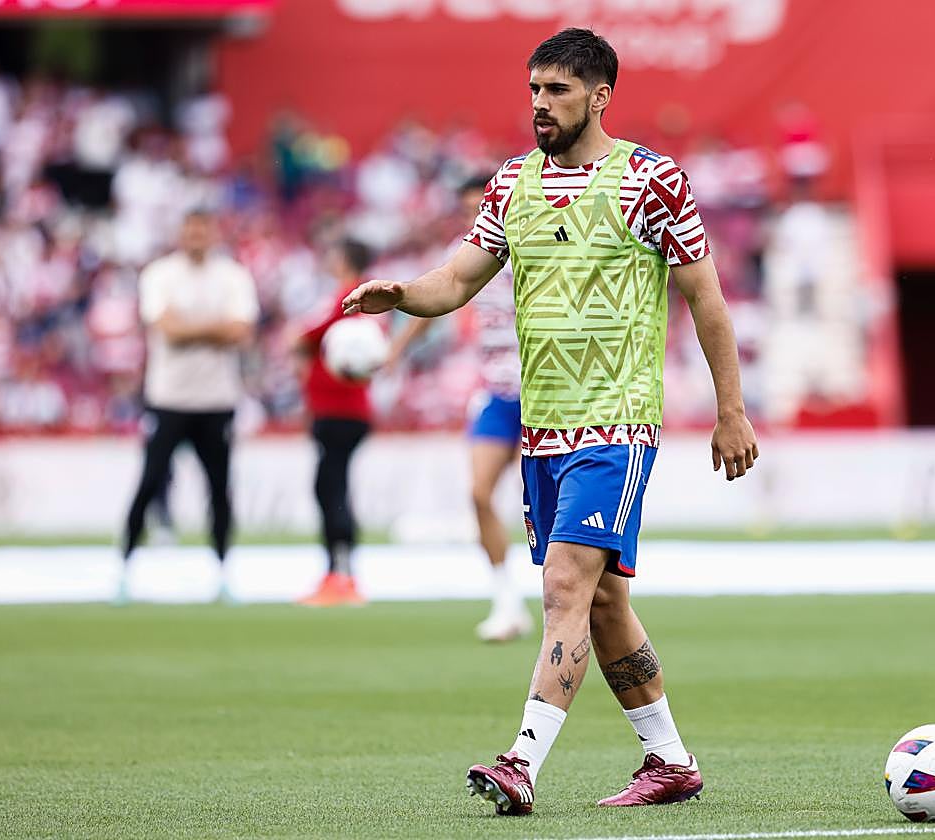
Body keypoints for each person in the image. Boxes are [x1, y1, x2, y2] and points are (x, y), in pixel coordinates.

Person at [344, 29, 759, 815]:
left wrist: (730, 410)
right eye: (534, 88)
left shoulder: (651, 181)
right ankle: (671, 761)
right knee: (602, 604)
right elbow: (456, 279)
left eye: (557, 90)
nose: (540, 103)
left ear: (599, 97)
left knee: (565, 584)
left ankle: (521, 762)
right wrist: (402, 295)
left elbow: (705, 298)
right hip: (542, 430)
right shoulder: (512, 184)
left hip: (617, 423)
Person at [393, 175, 532, 641]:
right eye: (469, 208)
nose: (476, 214)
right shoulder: (468, 250)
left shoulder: (533, 242)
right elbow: (441, 295)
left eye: (482, 205)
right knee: (478, 493)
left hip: (545, 393)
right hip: (497, 392)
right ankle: (506, 599)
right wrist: (395, 350)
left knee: (544, 506)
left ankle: (564, 597)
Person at [119, 209, 258, 604]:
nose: (196, 236)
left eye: (203, 229)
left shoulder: (233, 276)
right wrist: (215, 328)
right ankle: (125, 567)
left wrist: (189, 328)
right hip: (169, 398)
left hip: (217, 398)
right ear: (181, 234)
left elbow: (240, 331)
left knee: (219, 488)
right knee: (150, 481)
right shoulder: (160, 275)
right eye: (190, 230)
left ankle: (223, 570)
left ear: (213, 233)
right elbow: (167, 329)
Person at [293, 240, 376, 607]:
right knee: (332, 486)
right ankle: (340, 571)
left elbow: (311, 334)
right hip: (339, 411)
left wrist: (299, 341)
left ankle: (339, 574)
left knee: (331, 487)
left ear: (344, 260)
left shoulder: (350, 298)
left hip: (340, 411)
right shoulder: (352, 299)